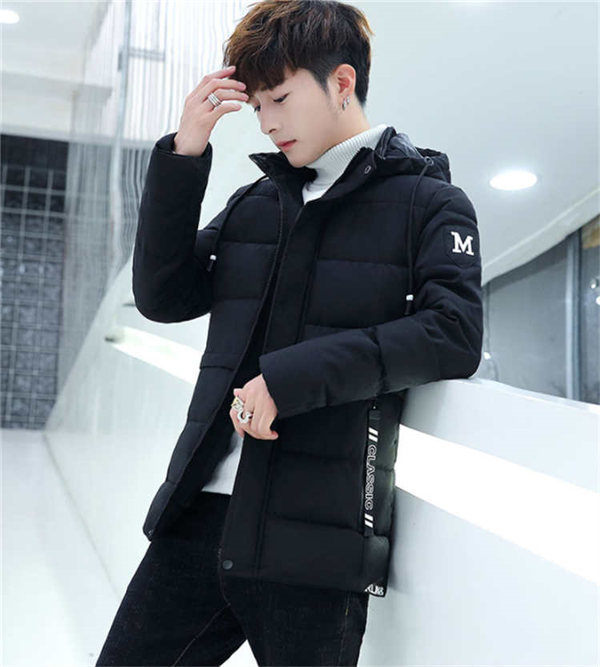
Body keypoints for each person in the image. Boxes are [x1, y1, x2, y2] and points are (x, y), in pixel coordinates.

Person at [96, 1, 483, 665]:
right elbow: (164, 297)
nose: (267, 122)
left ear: (341, 82)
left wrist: (289, 379)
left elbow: (453, 333)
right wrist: (185, 154)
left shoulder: (429, 203)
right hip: (201, 520)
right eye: (256, 106)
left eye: (279, 98)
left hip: (315, 544)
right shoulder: (258, 203)